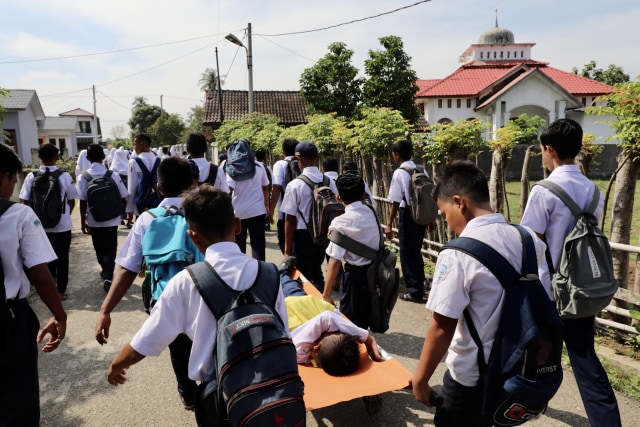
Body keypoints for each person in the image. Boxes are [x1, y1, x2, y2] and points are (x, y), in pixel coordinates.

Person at [105, 186, 290, 416]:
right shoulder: (269, 273)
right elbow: (284, 329)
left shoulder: (186, 282)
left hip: (223, 398)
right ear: (238, 225)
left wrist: (116, 365)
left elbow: (146, 341)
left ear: (192, 236)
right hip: (274, 386)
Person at [409, 160, 548, 425]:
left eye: (444, 212)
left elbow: (443, 325)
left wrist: (421, 379)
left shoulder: (457, 253)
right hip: (518, 368)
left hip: (471, 379)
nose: (447, 221)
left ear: (459, 202)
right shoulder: (528, 238)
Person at [520, 118, 622, 427]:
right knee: (584, 356)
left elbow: (529, 241)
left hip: (548, 291)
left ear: (549, 149)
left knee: (535, 353)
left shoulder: (544, 191)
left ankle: (523, 406)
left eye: (541, 150)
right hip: (581, 289)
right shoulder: (593, 190)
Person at [96, 156, 199, 410]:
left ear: (159, 188)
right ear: (193, 183)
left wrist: (105, 310)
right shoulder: (203, 211)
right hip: (204, 294)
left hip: (165, 299)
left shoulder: (147, 219)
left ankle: (187, 392)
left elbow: (128, 268)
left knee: (178, 347)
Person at [0, 142, 67, 426]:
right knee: (18, 398)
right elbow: (40, 273)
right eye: (13, 180)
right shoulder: (18, 216)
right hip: (9, 321)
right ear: (5, 176)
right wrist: (59, 315)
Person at [278, 269, 383, 376]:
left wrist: (366, 338)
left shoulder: (298, 349)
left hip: (293, 303)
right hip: (311, 305)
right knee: (292, 286)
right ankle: (293, 280)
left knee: (286, 284)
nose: (336, 328)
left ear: (317, 346)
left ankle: (282, 271)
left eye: (334, 330)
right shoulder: (326, 358)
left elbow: (327, 318)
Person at [19, 143, 78, 300]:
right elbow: (72, 200)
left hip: (39, 227)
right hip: (62, 225)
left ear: (38, 157)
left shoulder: (31, 177)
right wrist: (65, 215)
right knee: (62, 259)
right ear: (57, 157)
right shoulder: (64, 176)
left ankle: (50, 289)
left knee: (45, 258)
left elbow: (24, 201)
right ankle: (60, 292)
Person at [321, 172, 379, 329]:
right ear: (363, 194)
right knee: (365, 319)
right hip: (375, 276)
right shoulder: (372, 212)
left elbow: (334, 261)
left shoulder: (340, 223)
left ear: (339, 197)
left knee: (350, 325)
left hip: (355, 280)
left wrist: (326, 295)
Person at [280, 141, 338, 291]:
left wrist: (287, 250)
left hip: (302, 236)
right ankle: (322, 298)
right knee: (316, 270)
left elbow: (290, 219)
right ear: (317, 158)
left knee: (302, 276)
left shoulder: (295, 185)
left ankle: (312, 305)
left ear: (300, 160)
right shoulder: (329, 181)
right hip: (323, 234)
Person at [76, 144, 129, 293]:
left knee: (99, 248)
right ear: (103, 157)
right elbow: (124, 196)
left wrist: (82, 221)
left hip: (94, 219)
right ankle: (107, 275)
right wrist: (125, 212)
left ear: (87, 158)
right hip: (112, 219)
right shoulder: (113, 175)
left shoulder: (83, 177)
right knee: (111, 248)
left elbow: (82, 201)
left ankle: (106, 273)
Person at [384, 139, 428, 303]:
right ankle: (419, 284)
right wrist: (429, 220)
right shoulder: (422, 170)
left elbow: (395, 200)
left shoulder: (400, 173)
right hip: (421, 216)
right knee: (416, 251)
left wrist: (389, 223)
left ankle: (414, 291)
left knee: (407, 253)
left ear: (396, 155)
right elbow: (428, 195)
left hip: (408, 215)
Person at [226, 144, 270, 261]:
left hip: (238, 213)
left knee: (239, 246)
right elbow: (265, 187)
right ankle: (260, 274)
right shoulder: (259, 167)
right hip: (257, 211)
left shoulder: (232, 169)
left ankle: (242, 273)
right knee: (258, 246)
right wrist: (266, 205)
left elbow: (229, 190)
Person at [269, 137, 299, 253]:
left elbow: (277, 187)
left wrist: (271, 210)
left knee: (285, 243)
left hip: (285, 213)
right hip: (303, 214)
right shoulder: (302, 162)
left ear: (283, 152)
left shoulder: (280, 164)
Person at [126, 132, 160, 224]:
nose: (133, 147)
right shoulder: (158, 160)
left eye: (134, 144)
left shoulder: (134, 162)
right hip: (158, 202)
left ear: (142, 144)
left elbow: (132, 187)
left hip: (141, 204)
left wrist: (129, 209)